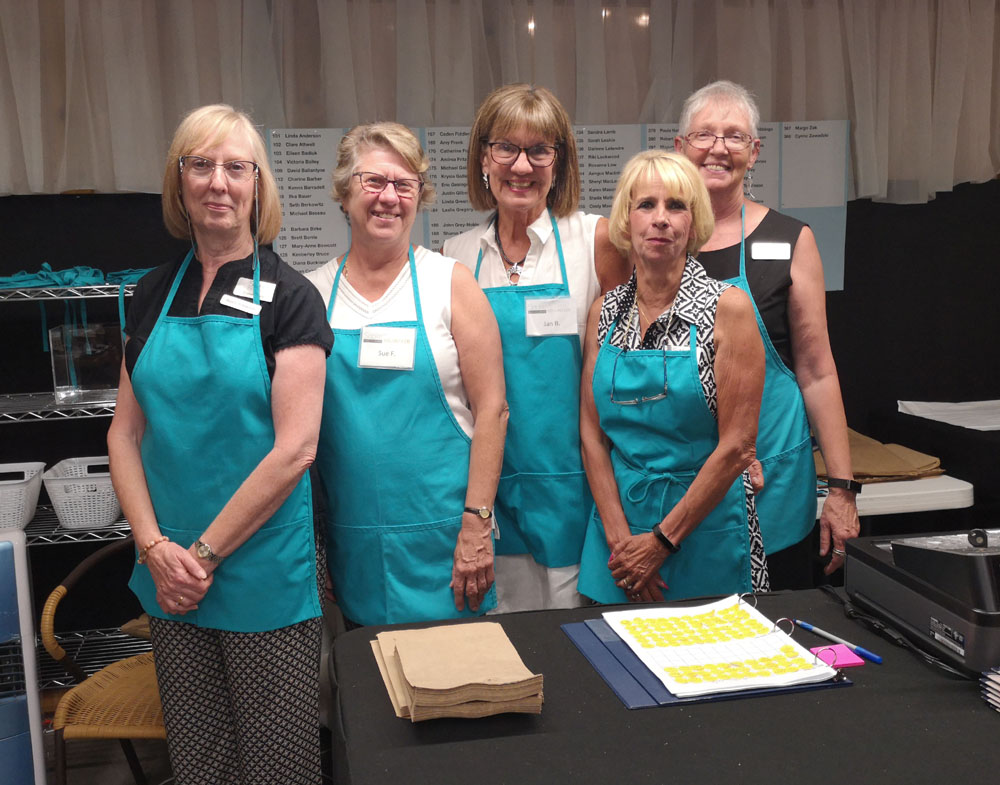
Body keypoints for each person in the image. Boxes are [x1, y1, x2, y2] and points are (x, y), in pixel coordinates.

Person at [108, 104, 332, 784]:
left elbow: (296, 449)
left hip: (261, 573)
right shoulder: (151, 293)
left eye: (237, 167)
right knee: (199, 764)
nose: (218, 181)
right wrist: (155, 548)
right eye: (200, 164)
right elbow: (124, 432)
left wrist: (203, 555)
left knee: (277, 768)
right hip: (171, 574)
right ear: (178, 181)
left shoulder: (291, 298)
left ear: (258, 185)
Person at [306, 122, 507, 627]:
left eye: (404, 184)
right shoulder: (312, 296)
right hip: (353, 543)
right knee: (368, 671)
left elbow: (493, 410)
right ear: (345, 192)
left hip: (449, 543)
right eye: (374, 181)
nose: (389, 197)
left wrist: (477, 524)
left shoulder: (450, 284)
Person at [443, 84, 631, 612]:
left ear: (559, 162)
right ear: (483, 158)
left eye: (539, 150)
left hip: (577, 487)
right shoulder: (457, 256)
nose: (521, 166)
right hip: (490, 493)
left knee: (577, 641)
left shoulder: (595, 241)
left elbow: (621, 377)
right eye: (506, 148)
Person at [674, 80, 860, 587]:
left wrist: (841, 489)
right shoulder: (652, 239)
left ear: (754, 152)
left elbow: (817, 372)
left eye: (735, 136)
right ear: (680, 146)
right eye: (704, 134)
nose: (718, 148)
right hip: (674, 484)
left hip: (769, 486)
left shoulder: (791, 239)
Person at [576, 150, 768, 604]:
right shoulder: (605, 313)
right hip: (618, 538)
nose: (660, 218)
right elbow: (592, 435)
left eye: (676, 206)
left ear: (694, 222)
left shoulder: (727, 309)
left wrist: (660, 543)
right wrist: (622, 545)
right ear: (626, 221)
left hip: (705, 534)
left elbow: (737, 447)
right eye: (646, 205)